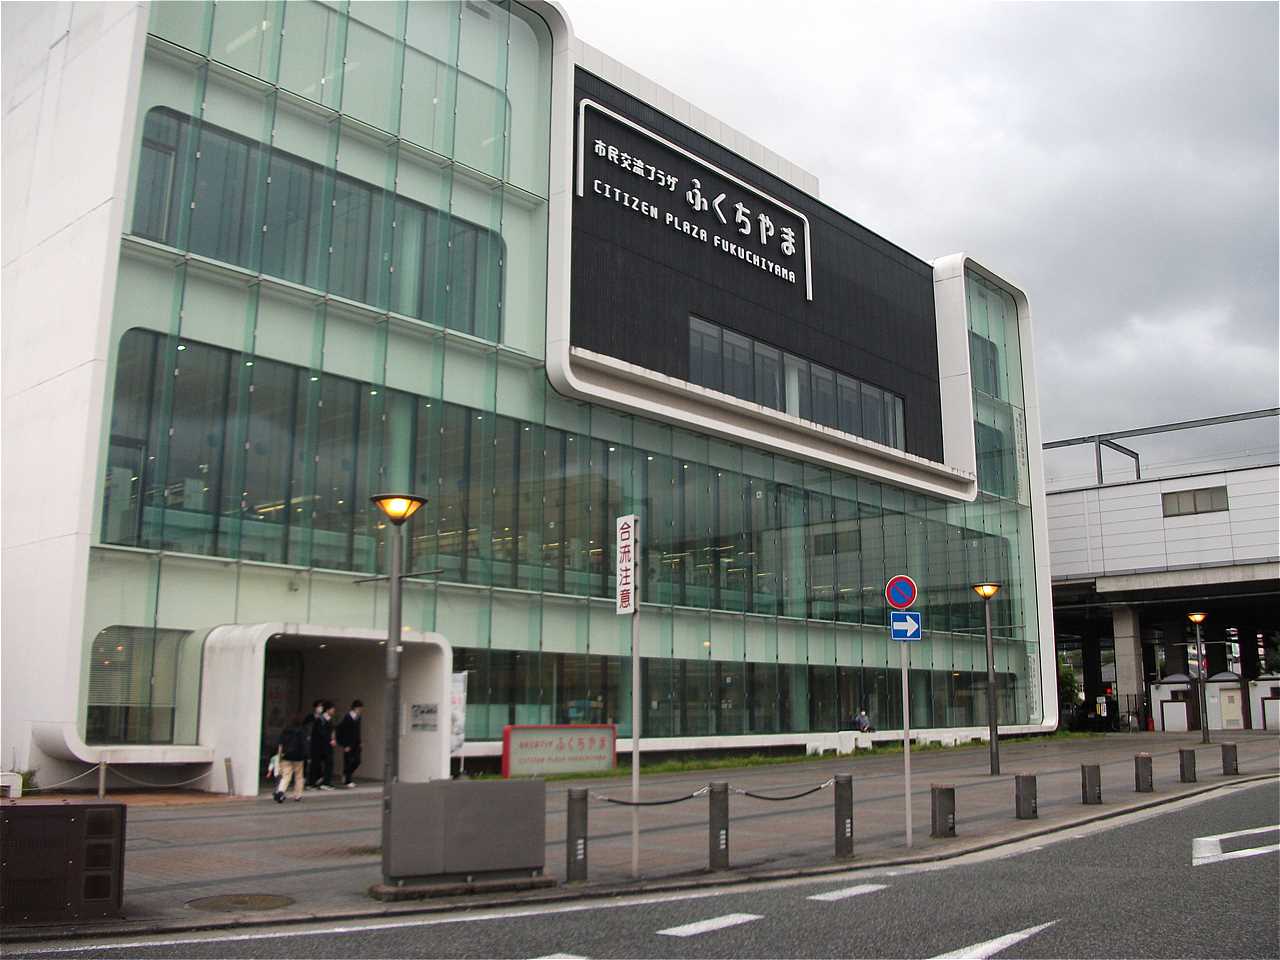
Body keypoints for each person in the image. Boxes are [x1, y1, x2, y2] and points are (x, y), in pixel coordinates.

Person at [274, 712, 309, 803]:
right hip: (298, 757)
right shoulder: (302, 731)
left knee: (286, 776)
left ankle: (281, 791)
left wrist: (280, 755)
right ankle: (297, 795)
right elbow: (304, 745)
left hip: (286, 756)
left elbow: (280, 744)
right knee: (298, 776)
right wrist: (307, 756)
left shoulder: (286, 730)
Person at [308, 700, 336, 789]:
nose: (333, 711)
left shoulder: (329, 719)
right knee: (316, 764)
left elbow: (331, 731)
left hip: (327, 746)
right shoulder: (320, 720)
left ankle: (326, 782)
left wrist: (333, 739)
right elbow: (321, 733)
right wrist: (330, 740)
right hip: (318, 746)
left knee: (329, 763)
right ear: (327, 710)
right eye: (332, 709)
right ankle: (311, 783)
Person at [335, 699, 363, 788]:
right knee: (347, 761)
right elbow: (341, 730)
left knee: (357, 761)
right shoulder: (347, 717)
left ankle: (346, 773)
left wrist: (360, 741)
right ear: (355, 708)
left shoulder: (358, 718)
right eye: (360, 709)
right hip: (348, 744)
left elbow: (358, 731)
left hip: (356, 743)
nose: (361, 711)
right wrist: (344, 744)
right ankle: (348, 780)